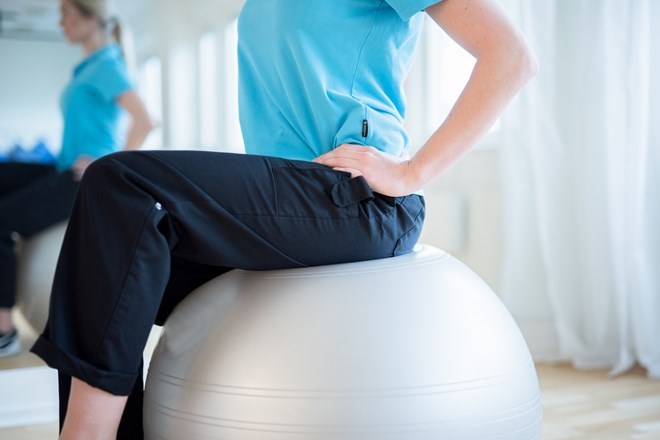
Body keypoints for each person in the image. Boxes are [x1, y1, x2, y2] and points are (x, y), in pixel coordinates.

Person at [31, 0, 537, 438]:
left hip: (354, 198)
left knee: (118, 182)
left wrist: (411, 172)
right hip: (291, 199)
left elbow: (511, 57)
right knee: (99, 261)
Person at [0, 0, 153, 357]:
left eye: (66, 14)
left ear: (90, 18)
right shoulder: (87, 66)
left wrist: (108, 164)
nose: (61, 22)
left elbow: (145, 121)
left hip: (83, 179)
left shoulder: (107, 65)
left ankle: (4, 330)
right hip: (63, 168)